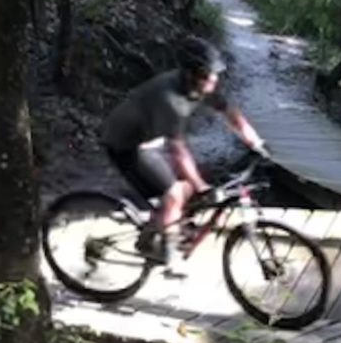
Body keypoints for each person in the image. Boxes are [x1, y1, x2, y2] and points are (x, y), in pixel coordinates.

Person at [101, 34, 268, 254]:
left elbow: (231, 113)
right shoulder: (170, 99)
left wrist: (256, 142)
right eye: (207, 75)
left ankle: (154, 230)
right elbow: (178, 150)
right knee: (175, 193)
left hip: (153, 140)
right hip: (127, 144)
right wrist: (201, 186)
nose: (213, 79)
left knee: (188, 185)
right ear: (190, 74)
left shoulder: (201, 85)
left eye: (215, 74)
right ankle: (167, 257)